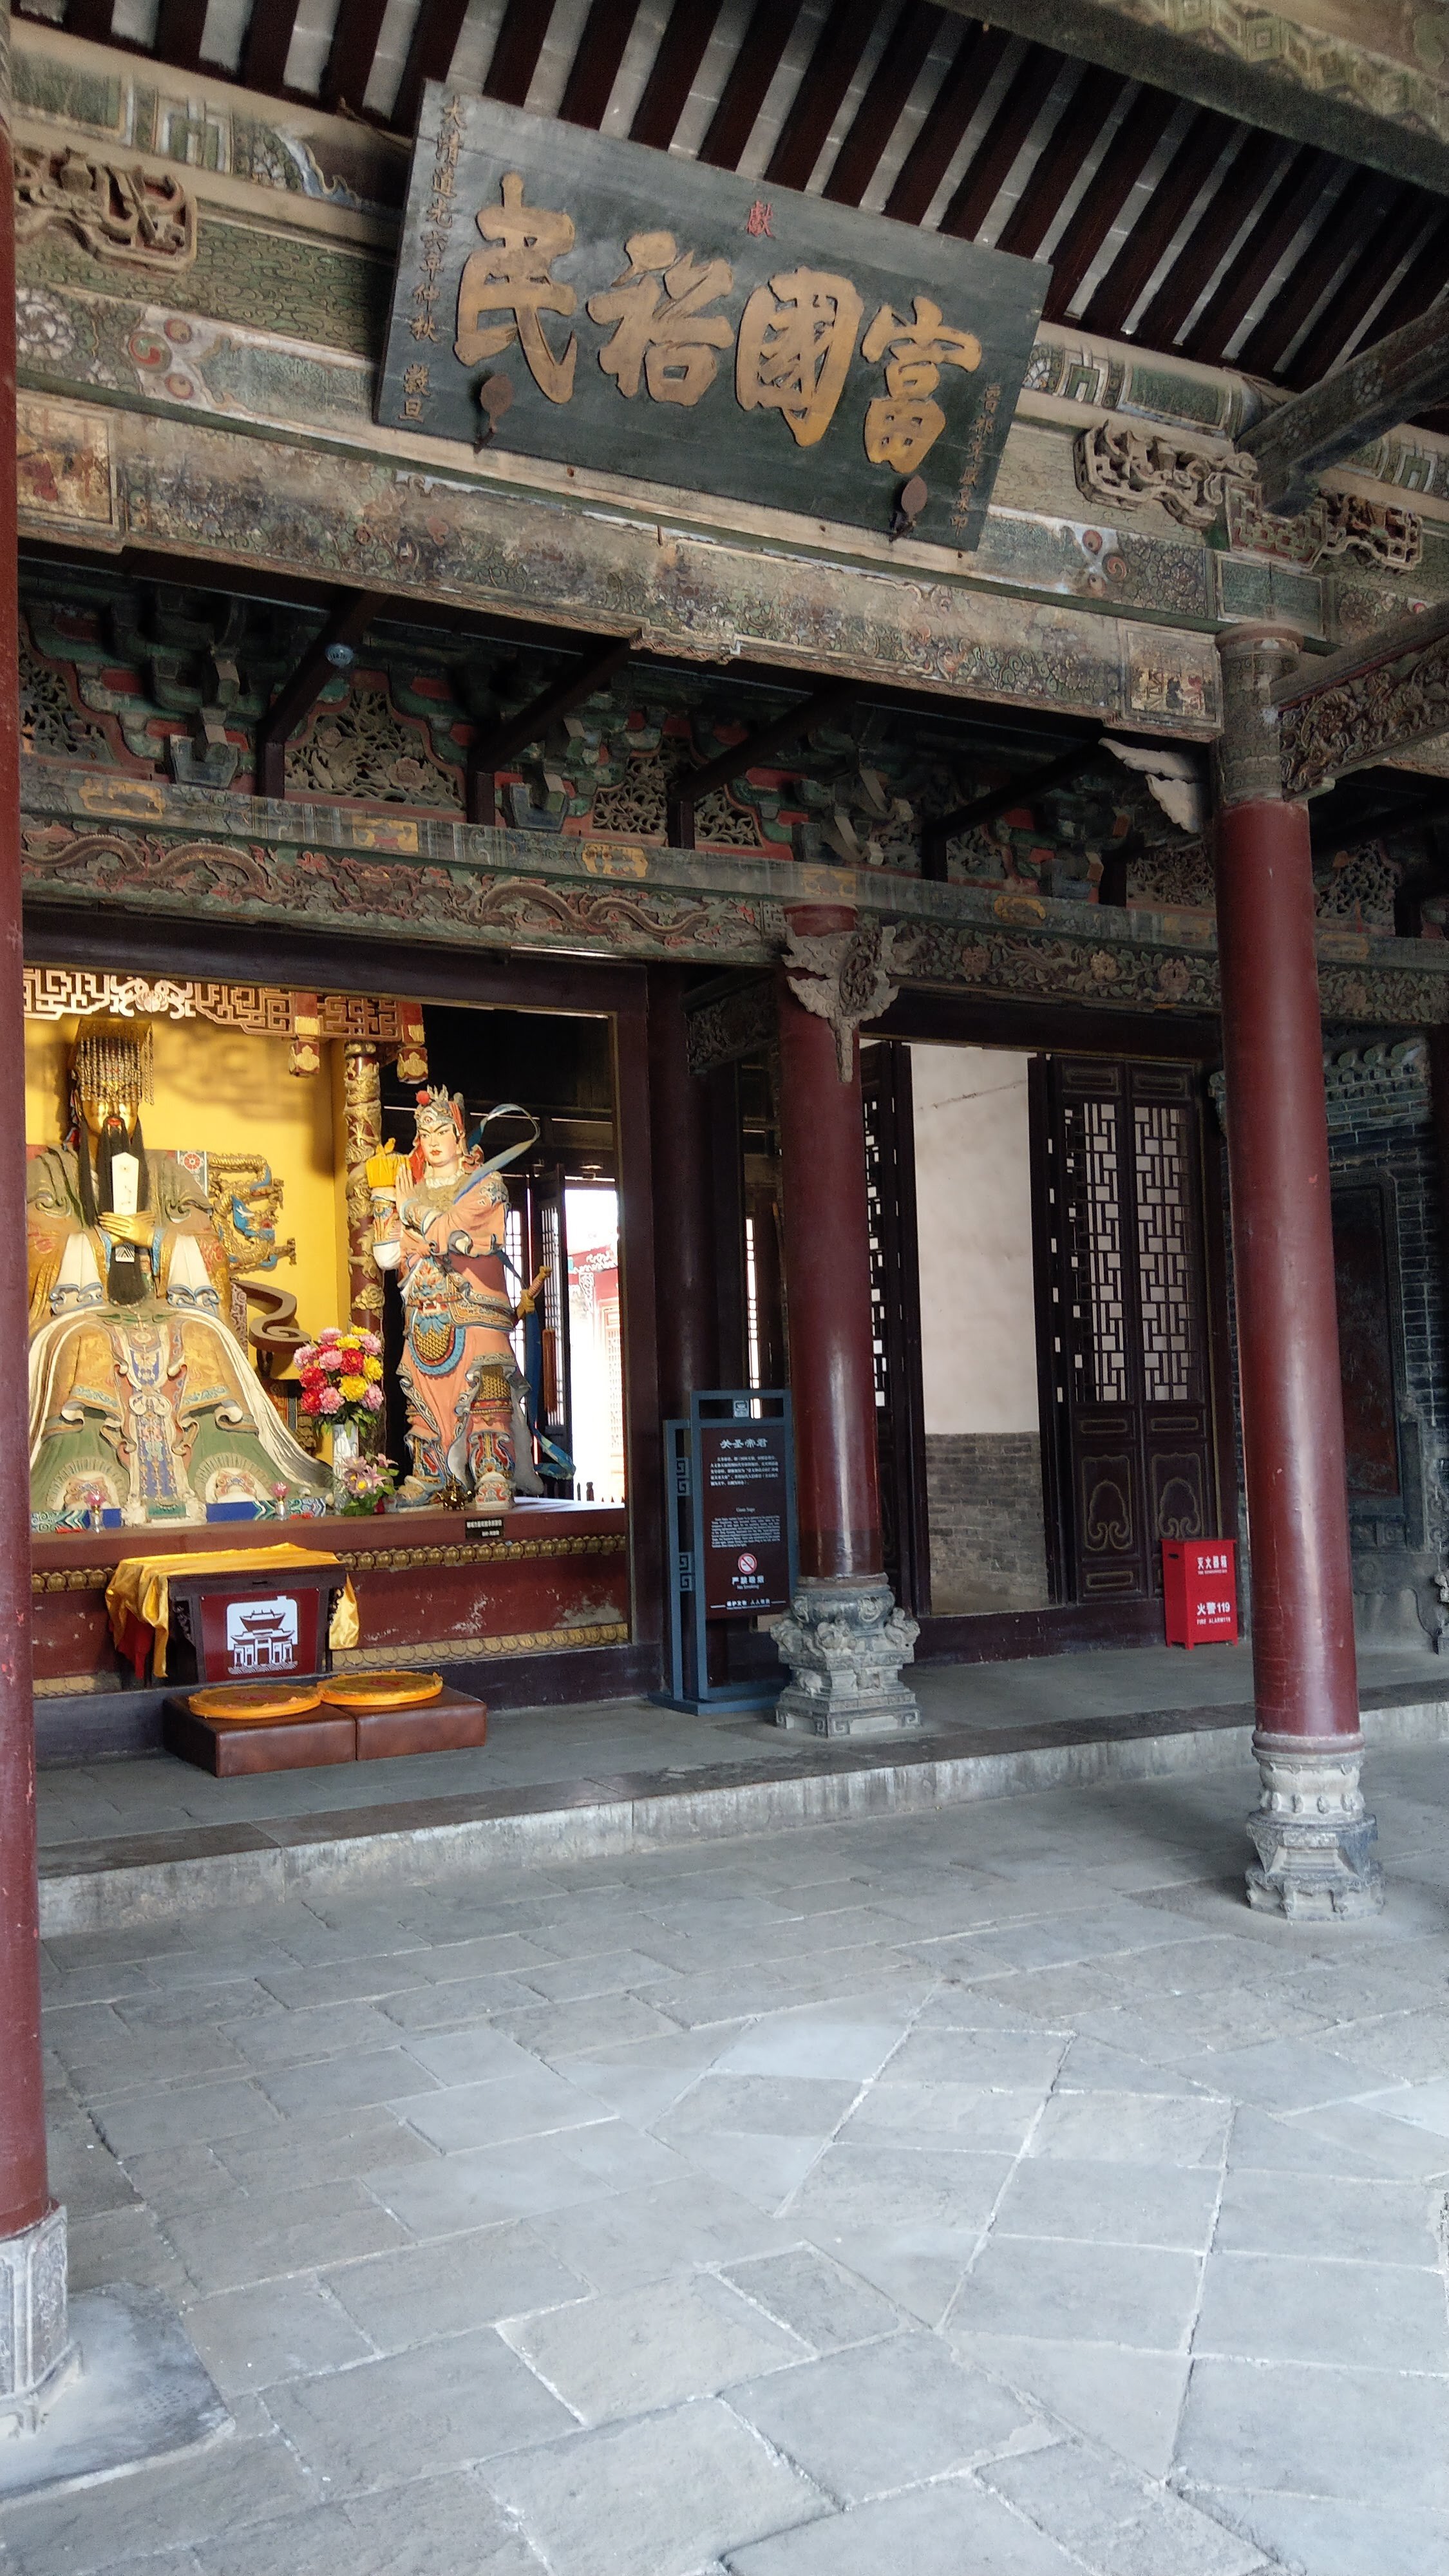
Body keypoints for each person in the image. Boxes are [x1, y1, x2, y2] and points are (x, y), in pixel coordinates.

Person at [26, 1016, 329, 1526]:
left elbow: (208, 1245)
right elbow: (38, 1243)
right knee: (86, 1343)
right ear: (79, 1098)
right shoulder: (52, 1171)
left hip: (166, 1306)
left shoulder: (168, 1173)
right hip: (81, 1310)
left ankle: (229, 1478)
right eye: (101, 1093)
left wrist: (155, 1239)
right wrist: (98, 1239)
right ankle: (87, 1486)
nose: (114, 1107)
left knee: (202, 1338)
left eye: (126, 1094)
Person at [369, 1090, 543, 1510]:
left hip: (476, 1314)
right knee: (423, 1399)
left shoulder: (485, 1184)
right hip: (425, 1315)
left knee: (487, 1392)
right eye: (424, 1131)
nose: (432, 1139)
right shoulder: (411, 1188)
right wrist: (384, 1200)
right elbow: (388, 1254)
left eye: (442, 1129)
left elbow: (458, 1235)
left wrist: (416, 1217)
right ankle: (431, 1473)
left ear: (459, 1134)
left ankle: (492, 1472)